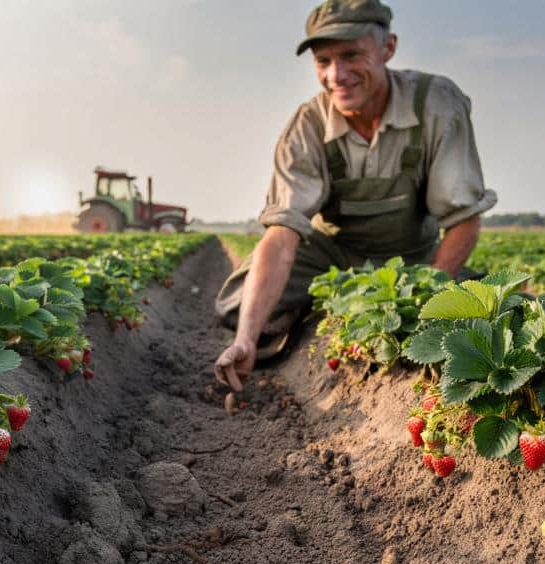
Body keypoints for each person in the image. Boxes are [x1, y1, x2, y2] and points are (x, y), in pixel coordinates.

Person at [213, 0, 497, 391]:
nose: (337, 75)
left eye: (351, 56)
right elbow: (281, 237)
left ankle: (450, 291)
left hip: (410, 257)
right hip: (333, 257)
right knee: (237, 303)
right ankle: (322, 316)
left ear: (388, 48)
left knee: (484, 313)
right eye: (323, 61)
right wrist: (245, 338)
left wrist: (426, 298)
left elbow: (463, 219)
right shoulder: (307, 125)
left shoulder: (436, 104)